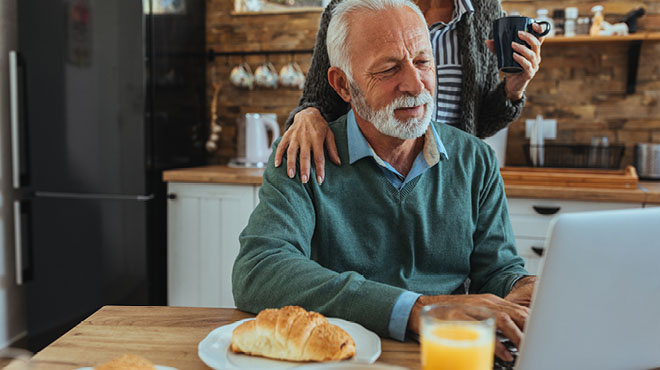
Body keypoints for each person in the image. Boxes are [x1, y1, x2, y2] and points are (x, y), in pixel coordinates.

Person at [232, 0, 534, 361]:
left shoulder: (476, 161)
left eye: (423, 62)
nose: (414, 84)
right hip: (342, 357)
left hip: (449, 355)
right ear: (343, 85)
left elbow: (498, 270)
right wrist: (416, 309)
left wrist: (521, 286)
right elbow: (258, 271)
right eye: (389, 69)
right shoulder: (304, 157)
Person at [274, 0, 545, 185]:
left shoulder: (483, 7)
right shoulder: (352, 7)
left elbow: (480, 123)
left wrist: (513, 86)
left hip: (449, 183)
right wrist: (307, 114)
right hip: (366, 179)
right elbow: (322, 98)